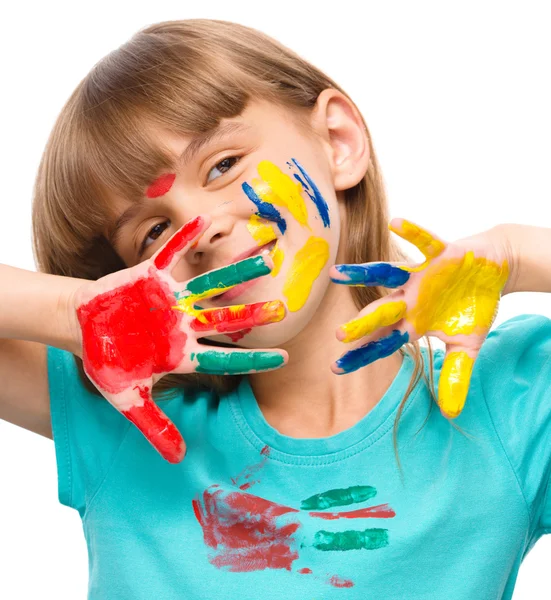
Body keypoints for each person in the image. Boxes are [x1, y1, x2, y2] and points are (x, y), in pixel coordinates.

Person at [1, 17, 551, 599]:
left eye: (222, 165)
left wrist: (515, 254)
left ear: (338, 142)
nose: (201, 228)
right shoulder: (127, 418)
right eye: (154, 229)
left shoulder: (507, 407)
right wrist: (72, 313)